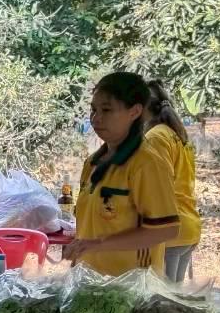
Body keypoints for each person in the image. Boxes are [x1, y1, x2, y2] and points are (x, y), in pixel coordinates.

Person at [64, 73, 180, 277]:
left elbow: (166, 230)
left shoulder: (147, 163)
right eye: (93, 110)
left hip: (132, 287)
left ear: (134, 111)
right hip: (90, 282)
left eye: (106, 110)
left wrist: (97, 244)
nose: (96, 118)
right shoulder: (92, 163)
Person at [142, 81, 200, 283]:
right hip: (187, 224)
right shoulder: (177, 135)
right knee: (173, 303)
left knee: (163, 306)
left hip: (169, 229)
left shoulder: (155, 137)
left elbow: (158, 184)